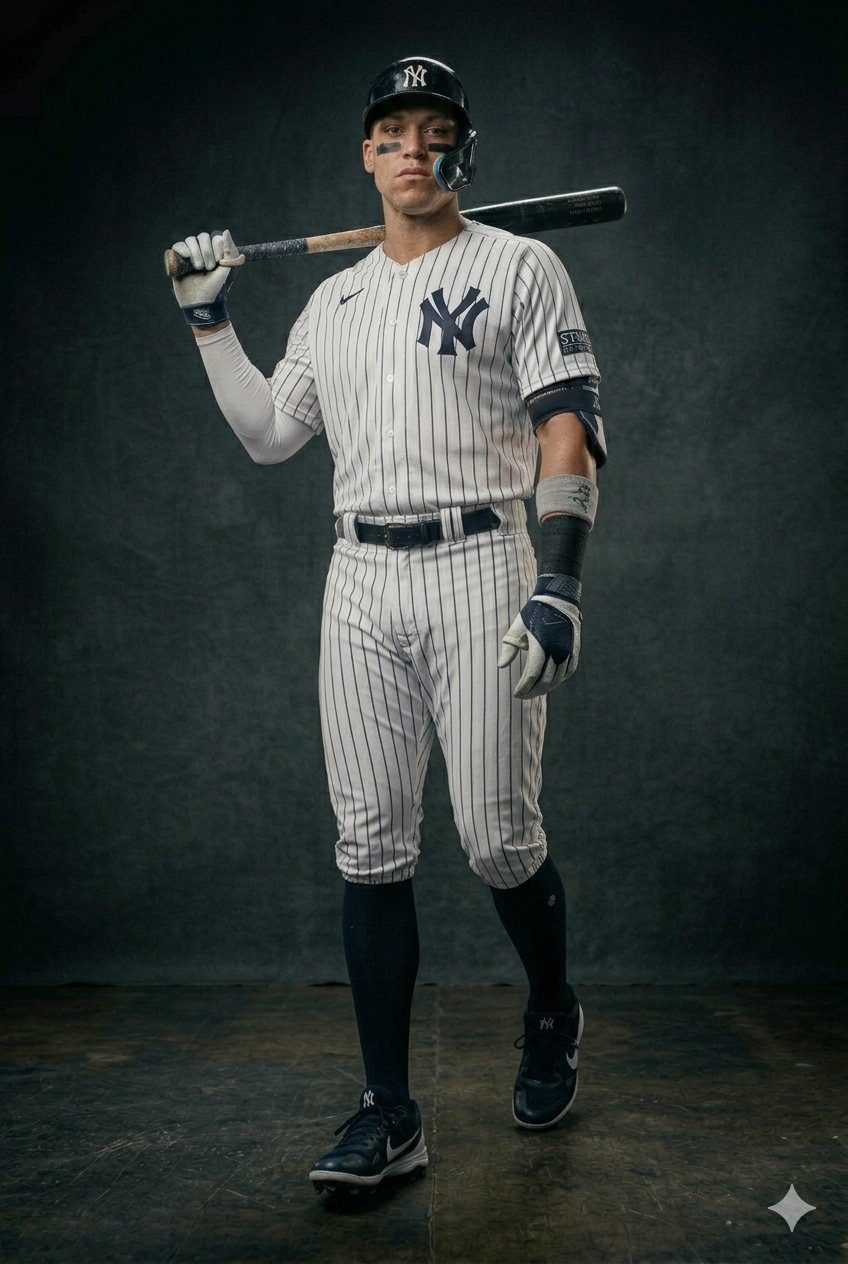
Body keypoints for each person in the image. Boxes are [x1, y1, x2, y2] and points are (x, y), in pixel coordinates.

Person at [169, 55, 606, 1195]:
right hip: (357, 576)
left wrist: (555, 582)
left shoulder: (520, 265)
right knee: (367, 845)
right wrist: (211, 323)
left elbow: (565, 429)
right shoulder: (336, 299)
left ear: (463, 151)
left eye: (435, 130)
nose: (413, 148)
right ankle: (387, 1111)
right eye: (392, 131)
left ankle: (551, 1009)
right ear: (366, 154)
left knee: (496, 839)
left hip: (479, 561)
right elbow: (271, 437)